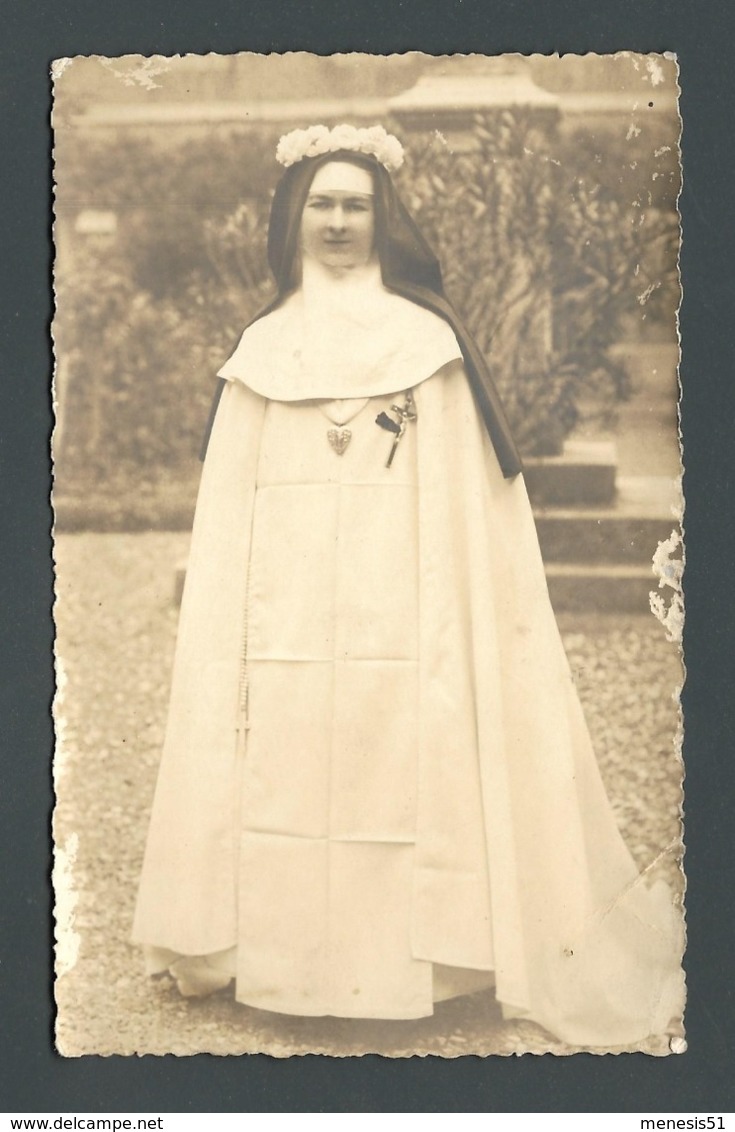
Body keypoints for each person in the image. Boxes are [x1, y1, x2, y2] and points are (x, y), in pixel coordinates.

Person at [132, 124, 684, 1048]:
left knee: (402, 769)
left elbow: (470, 514)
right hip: (285, 617)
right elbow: (228, 517)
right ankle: (278, 963)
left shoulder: (427, 343)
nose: (339, 222)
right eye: (323, 204)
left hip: (406, 611)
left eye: (357, 205)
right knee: (287, 767)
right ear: (293, 219)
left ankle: (426, 968)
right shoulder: (262, 349)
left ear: (383, 220)